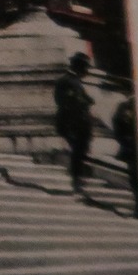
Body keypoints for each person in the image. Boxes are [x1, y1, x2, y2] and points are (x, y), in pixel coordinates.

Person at [53, 51, 96, 193]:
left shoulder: (73, 81)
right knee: (78, 152)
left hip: (78, 123)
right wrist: (86, 101)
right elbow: (71, 102)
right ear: (79, 67)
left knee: (80, 151)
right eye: (85, 67)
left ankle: (78, 179)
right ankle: (77, 180)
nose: (87, 71)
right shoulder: (68, 81)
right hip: (72, 123)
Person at [113, 92, 138, 218]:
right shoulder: (125, 106)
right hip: (132, 149)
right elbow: (117, 125)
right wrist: (125, 141)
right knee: (135, 179)